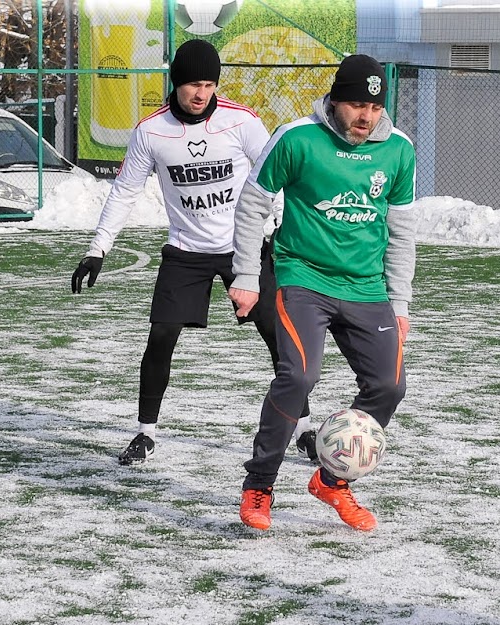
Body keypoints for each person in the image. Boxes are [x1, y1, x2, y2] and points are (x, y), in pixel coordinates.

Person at [71, 39, 312, 465]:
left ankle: (306, 429)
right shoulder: (151, 131)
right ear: (176, 83)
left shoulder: (242, 122)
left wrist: (278, 228)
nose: (201, 93)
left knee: (278, 336)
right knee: (161, 335)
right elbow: (124, 191)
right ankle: (145, 434)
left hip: (245, 246)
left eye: (209, 84)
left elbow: (277, 177)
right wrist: (98, 250)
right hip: (186, 250)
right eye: (193, 84)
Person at [228, 54, 417, 531]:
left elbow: (401, 233)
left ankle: (331, 482)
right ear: (334, 100)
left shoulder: (398, 150)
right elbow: (252, 205)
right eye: (355, 104)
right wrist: (247, 276)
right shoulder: (296, 138)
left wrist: (399, 303)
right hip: (303, 278)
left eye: (373, 108)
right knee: (299, 377)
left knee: (390, 386)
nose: (364, 116)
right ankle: (259, 486)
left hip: (366, 287)